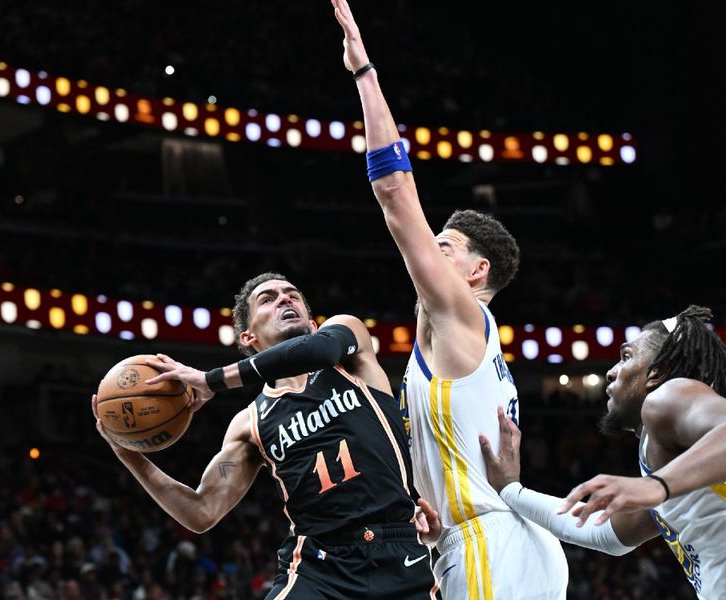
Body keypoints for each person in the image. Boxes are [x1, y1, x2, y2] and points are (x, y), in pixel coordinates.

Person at [330, 0, 568, 597]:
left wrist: (365, 73)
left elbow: (392, 189)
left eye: (447, 247)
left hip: (491, 545)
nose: (432, 253)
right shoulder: (461, 341)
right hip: (494, 542)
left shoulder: (461, 315)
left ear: (476, 271)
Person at [92, 272, 439, 600]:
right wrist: (128, 454)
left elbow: (317, 352)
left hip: (400, 548)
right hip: (319, 563)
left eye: (293, 296)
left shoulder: (346, 346)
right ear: (248, 337)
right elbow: (202, 511)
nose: (284, 300)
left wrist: (212, 379)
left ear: (313, 322)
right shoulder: (250, 423)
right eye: (268, 299)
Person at [480, 305, 726, 600]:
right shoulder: (679, 462)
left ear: (657, 373)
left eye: (626, 357)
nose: (611, 372)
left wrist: (655, 486)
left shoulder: (668, 397)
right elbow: (604, 533)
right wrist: (510, 491)